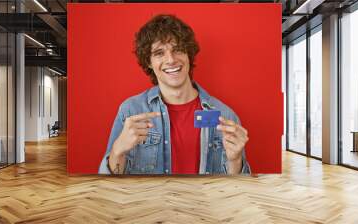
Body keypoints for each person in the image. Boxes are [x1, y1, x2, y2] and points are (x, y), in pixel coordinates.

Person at [98, 14, 251, 175]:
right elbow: (108, 185)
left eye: (177, 50)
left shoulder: (225, 116)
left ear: (188, 55)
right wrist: (117, 151)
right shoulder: (131, 111)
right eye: (159, 53)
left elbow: (236, 191)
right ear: (149, 62)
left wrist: (235, 160)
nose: (170, 60)